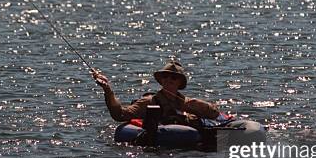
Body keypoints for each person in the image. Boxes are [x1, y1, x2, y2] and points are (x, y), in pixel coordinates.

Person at [92, 61, 220, 128]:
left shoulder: (188, 103)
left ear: (180, 82)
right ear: (161, 80)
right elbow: (120, 115)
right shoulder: (149, 102)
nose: (169, 79)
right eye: (165, 76)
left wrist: (201, 105)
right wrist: (108, 90)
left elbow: (215, 114)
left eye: (174, 77)